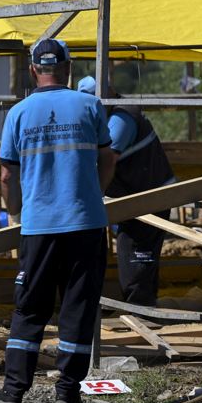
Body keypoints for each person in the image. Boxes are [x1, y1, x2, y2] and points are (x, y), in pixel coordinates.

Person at [0, 39, 115, 403]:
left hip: (39, 227)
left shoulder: (19, 113)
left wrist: (16, 210)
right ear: (68, 69)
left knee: (29, 308)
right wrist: (94, 192)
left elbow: (7, 175)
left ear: (33, 70)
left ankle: (13, 392)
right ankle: (67, 391)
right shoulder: (90, 105)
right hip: (85, 223)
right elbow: (108, 159)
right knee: (77, 307)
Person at [76, 75, 176, 307]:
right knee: (138, 252)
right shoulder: (107, 115)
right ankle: (144, 307)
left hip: (151, 196)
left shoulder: (122, 117)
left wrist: (94, 195)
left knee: (135, 252)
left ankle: (139, 310)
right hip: (135, 196)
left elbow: (107, 158)